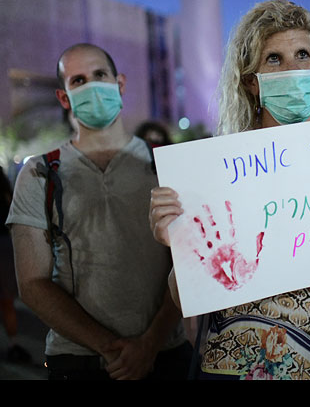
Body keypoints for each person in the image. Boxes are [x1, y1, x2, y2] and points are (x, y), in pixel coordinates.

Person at [149, 0, 310, 380]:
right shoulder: (215, 173)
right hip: (246, 369)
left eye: (303, 54)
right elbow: (185, 298)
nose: (292, 68)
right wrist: (181, 245)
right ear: (251, 81)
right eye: (273, 59)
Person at [6, 43, 192, 380]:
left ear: (119, 84)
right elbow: (32, 284)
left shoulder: (167, 164)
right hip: (78, 362)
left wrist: (149, 344)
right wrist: (110, 348)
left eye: (99, 75)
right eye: (78, 80)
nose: (91, 85)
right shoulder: (40, 173)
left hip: (166, 355)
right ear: (65, 98)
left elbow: (189, 263)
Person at [0, 166, 31, 363]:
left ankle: (12, 343)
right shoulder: (5, 188)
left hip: (3, 243)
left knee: (6, 299)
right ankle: (13, 343)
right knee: (6, 299)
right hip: (4, 243)